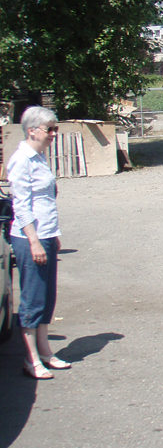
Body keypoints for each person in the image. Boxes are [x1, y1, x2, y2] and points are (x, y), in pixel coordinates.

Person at [7, 106, 70, 379]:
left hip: (45, 234)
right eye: (49, 129)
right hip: (29, 238)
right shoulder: (21, 160)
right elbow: (21, 206)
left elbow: (45, 202)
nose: (54, 134)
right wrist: (33, 241)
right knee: (33, 298)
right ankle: (31, 359)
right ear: (32, 130)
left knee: (47, 297)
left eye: (55, 129)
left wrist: (52, 234)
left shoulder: (39, 157)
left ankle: (45, 351)